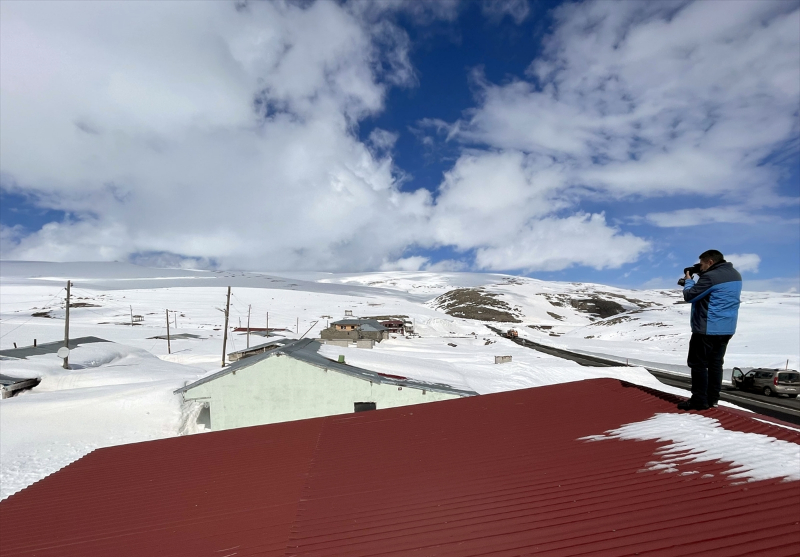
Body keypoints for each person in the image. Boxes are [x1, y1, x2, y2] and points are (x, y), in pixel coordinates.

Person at [678, 250, 742, 411]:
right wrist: (702, 273)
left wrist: (689, 281)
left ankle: (699, 400)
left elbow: (690, 296)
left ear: (710, 262)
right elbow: (714, 291)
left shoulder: (711, 277)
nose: (700, 266)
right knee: (715, 364)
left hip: (707, 328)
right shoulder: (735, 274)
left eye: (702, 264)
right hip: (726, 328)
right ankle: (712, 399)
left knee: (698, 364)